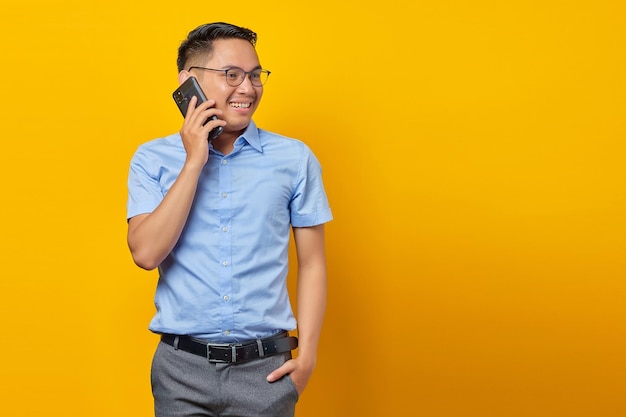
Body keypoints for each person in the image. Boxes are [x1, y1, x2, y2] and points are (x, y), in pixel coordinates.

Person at [126, 22, 332, 417]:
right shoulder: (152, 159)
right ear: (189, 82)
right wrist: (193, 161)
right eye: (231, 75)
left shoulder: (294, 159)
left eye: (255, 75)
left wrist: (307, 358)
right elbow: (146, 252)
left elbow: (313, 263)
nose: (248, 88)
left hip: (266, 371)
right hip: (180, 372)